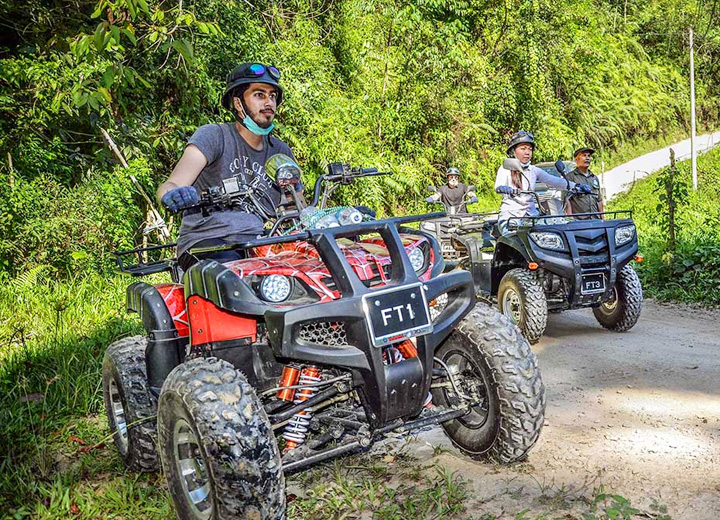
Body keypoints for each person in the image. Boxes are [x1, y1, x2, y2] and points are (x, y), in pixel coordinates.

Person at [156, 63, 302, 270]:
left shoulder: (280, 151)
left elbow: (298, 207)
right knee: (241, 280)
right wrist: (173, 195)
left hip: (260, 241)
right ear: (237, 103)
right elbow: (171, 183)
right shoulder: (214, 136)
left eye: (272, 96)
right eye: (259, 95)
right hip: (209, 242)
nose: (269, 102)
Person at [495, 131, 592, 234]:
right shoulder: (505, 168)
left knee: (552, 235)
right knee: (512, 238)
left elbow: (555, 181)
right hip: (511, 215)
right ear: (513, 151)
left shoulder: (534, 170)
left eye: (530, 149)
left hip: (531, 216)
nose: (527, 152)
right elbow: (498, 186)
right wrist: (504, 188)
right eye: (523, 149)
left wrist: (576, 186)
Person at [564, 147, 604, 219]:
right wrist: (570, 219)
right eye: (584, 155)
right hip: (580, 222)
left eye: (589, 156)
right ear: (576, 159)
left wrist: (603, 218)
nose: (587, 158)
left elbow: (599, 200)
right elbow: (566, 200)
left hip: (596, 221)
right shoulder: (570, 177)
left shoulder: (594, 178)